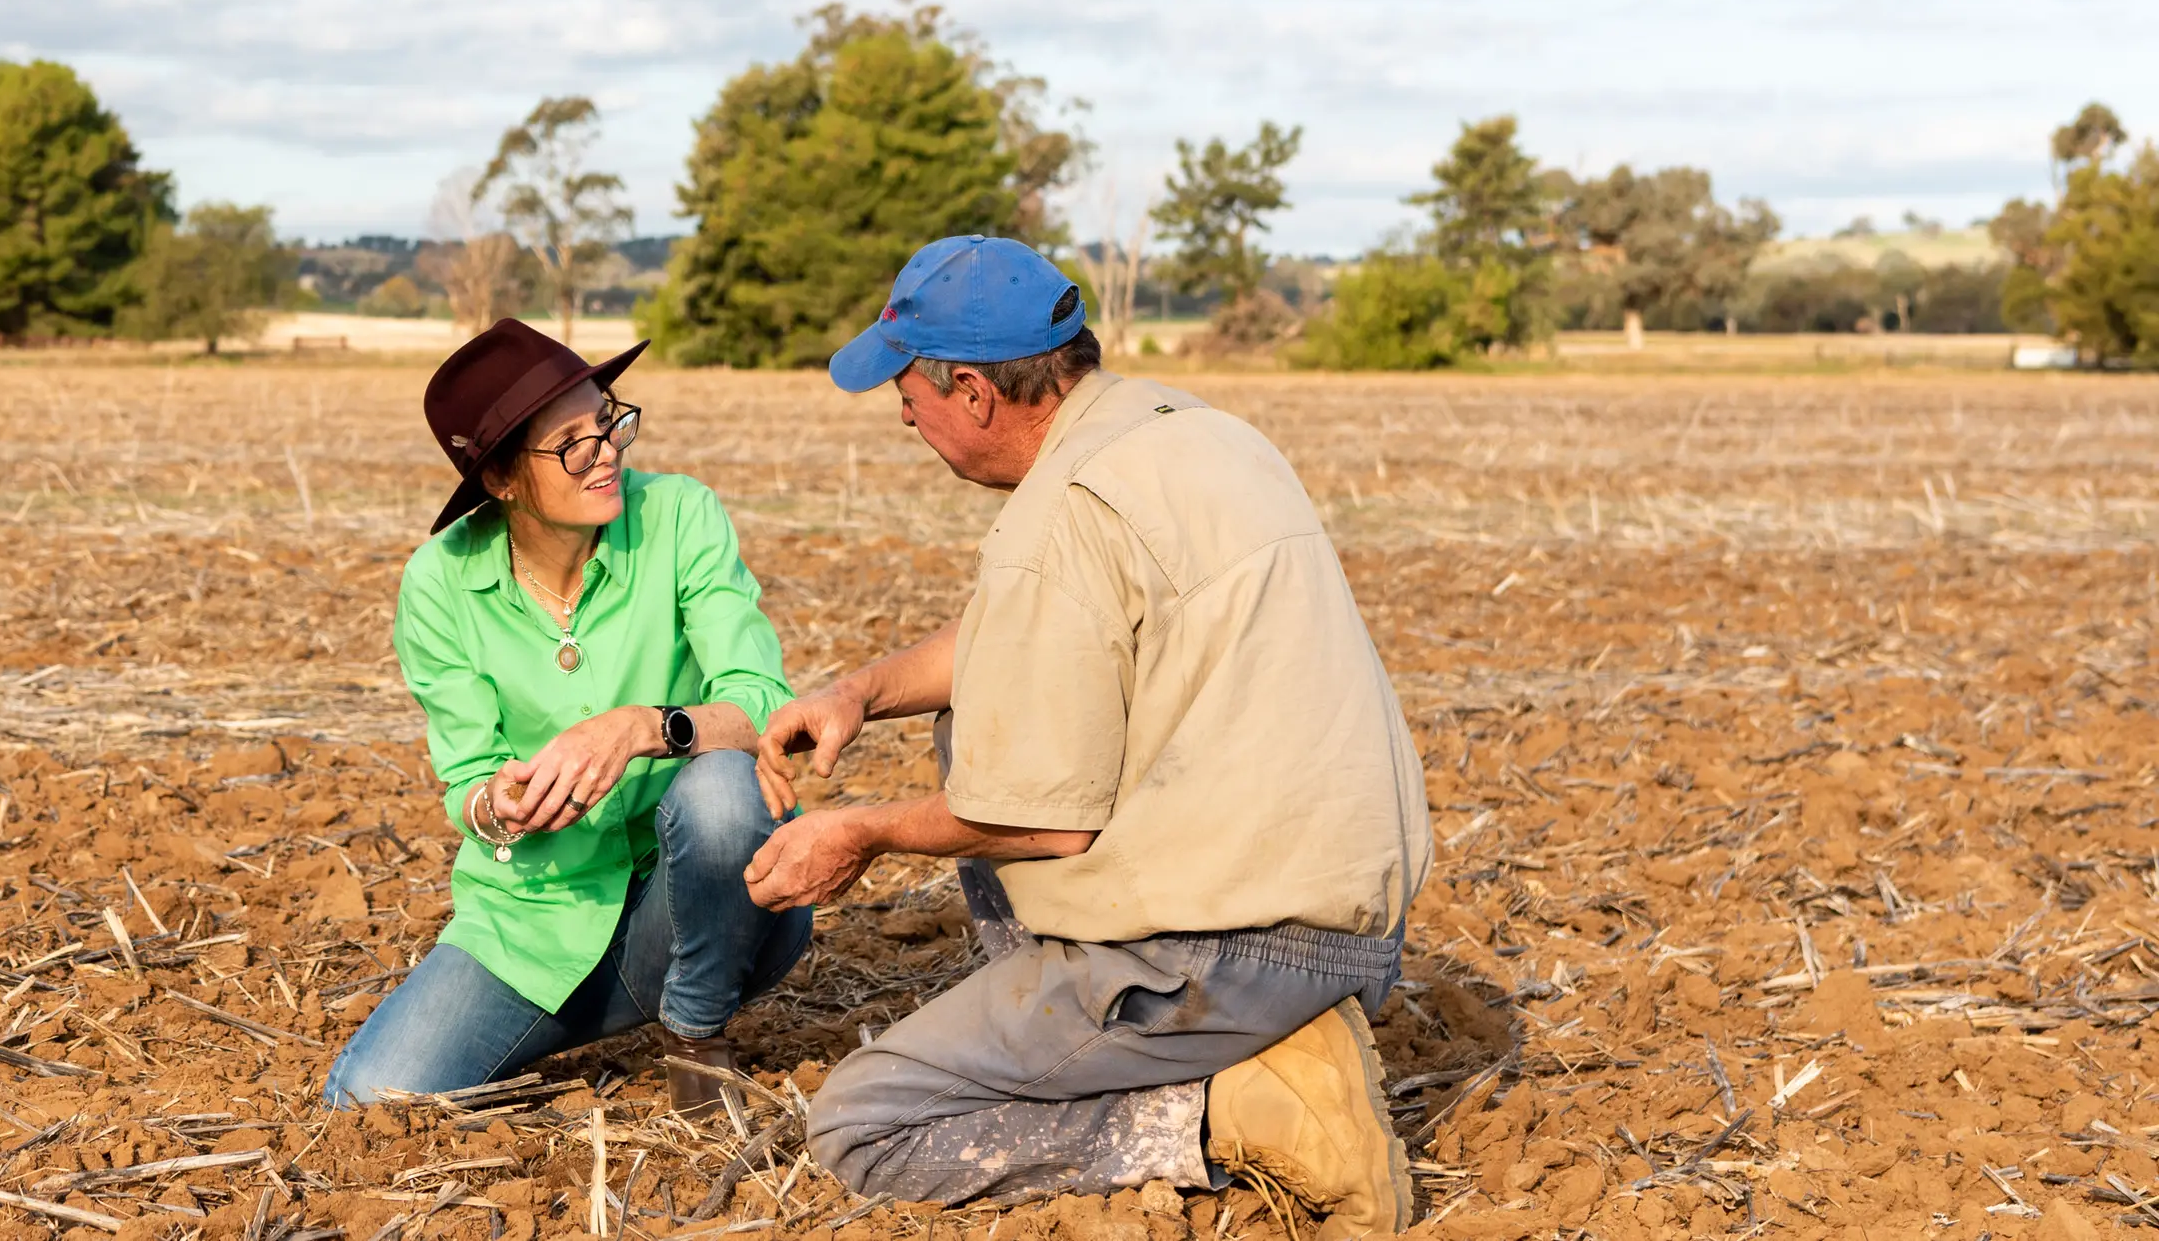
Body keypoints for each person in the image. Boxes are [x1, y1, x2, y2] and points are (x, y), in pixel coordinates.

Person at [741, 237, 1434, 1229]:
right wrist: (861, 690)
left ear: (975, 392)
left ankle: (1232, 1111)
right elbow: (1015, 636)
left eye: (908, 389)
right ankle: (1250, 1045)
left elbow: (1041, 825)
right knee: (984, 700)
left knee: (864, 1124)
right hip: (1353, 927)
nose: (901, 411)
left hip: (1226, 959)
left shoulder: (1060, 516)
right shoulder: (1190, 431)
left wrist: (861, 832)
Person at [324, 319, 810, 1114]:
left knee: (724, 785)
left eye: (608, 420)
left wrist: (639, 726)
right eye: (573, 444)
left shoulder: (681, 515)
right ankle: (589, 1009)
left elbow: (764, 707)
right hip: (533, 922)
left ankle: (694, 1034)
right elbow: (468, 785)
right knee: (366, 1099)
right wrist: (501, 805)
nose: (609, 451)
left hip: (701, 903)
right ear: (504, 480)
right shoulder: (439, 584)